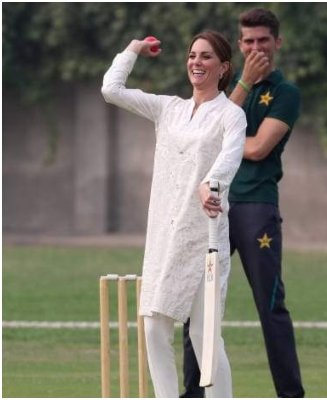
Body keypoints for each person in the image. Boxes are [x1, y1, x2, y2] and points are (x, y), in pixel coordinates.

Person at [102, 31, 247, 397]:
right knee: (153, 326)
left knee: (204, 336)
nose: (196, 62)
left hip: (205, 235)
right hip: (165, 235)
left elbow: (230, 157)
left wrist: (211, 184)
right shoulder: (169, 108)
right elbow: (111, 90)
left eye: (206, 56)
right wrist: (134, 48)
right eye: (192, 55)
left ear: (223, 68)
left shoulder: (231, 115)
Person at [179, 8, 305, 398]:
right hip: (214, 205)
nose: (255, 48)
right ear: (239, 44)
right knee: (197, 303)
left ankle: (291, 394)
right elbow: (211, 134)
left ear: (277, 42)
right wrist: (244, 84)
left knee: (270, 305)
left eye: (263, 40)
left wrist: (232, 134)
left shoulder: (285, 93)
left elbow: (257, 148)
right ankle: (192, 393)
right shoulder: (228, 88)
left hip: (255, 206)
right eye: (248, 41)